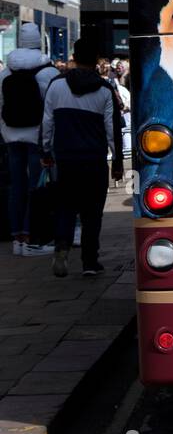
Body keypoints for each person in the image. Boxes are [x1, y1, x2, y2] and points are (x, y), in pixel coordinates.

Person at [41, 38, 124, 278]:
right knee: (92, 212)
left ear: (74, 57)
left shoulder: (56, 86)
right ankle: (90, 261)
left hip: (65, 158)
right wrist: (117, 163)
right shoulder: (105, 89)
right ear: (97, 59)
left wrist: (45, 151)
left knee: (65, 206)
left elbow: (47, 122)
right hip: (94, 159)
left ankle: (62, 246)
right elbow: (112, 130)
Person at [0, 22, 59, 255]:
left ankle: (17, 240)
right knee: (38, 187)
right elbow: (52, 109)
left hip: (12, 136)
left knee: (16, 186)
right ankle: (34, 237)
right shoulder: (49, 71)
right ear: (39, 41)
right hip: (37, 137)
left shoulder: (5, 72)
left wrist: (5, 132)